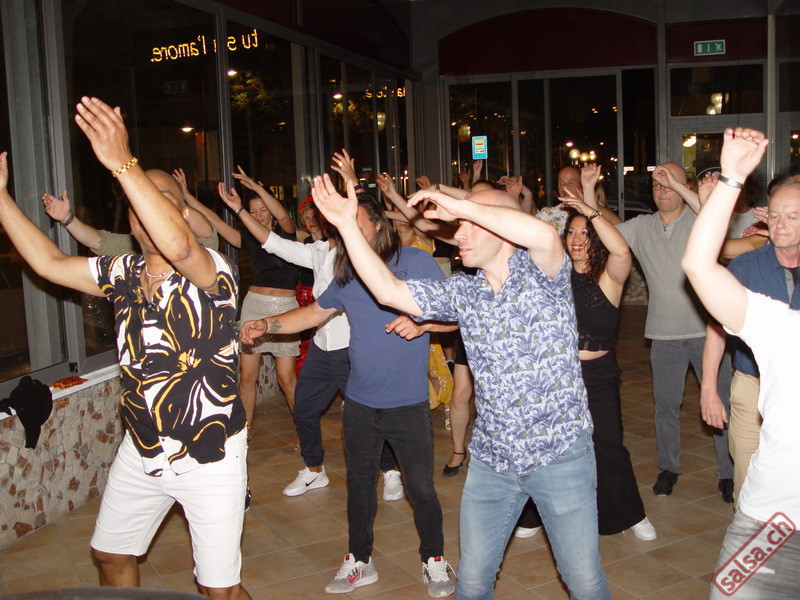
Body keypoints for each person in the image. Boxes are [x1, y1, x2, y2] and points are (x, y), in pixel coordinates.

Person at [310, 174, 609, 599]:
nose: (457, 234)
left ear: (501, 228)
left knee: (583, 582)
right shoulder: (465, 292)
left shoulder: (545, 272)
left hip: (559, 454)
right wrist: (345, 225)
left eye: (470, 225)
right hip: (492, 461)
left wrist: (460, 205)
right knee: (471, 582)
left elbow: (542, 233)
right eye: (458, 225)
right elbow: (389, 290)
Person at [0, 97, 250, 599]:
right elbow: (49, 263)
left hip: (212, 455)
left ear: (182, 213)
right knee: (111, 554)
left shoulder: (214, 271)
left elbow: (180, 247)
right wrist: (0, 199)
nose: (146, 209)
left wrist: (122, 162)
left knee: (218, 591)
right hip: (141, 449)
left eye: (160, 198)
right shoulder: (123, 272)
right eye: (139, 202)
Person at [241, 186, 455, 598]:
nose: (347, 233)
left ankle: (433, 558)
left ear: (379, 226)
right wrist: (268, 326)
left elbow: (456, 315)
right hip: (359, 402)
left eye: (354, 224)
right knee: (358, 485)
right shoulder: (347, 271)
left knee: (421, 489)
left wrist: (424, 325)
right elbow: (314, 313)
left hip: (408, 403)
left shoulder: (415, 262)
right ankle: (360, 558)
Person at [680, 127, 800, 600]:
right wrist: (730, 179)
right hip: (772, 524)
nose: (784, 223)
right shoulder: (783, 327)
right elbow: (700, 266)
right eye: (779, 213)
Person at [615, 161, 734, 500]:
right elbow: (608, 235)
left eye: (670, 184)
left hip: (708, 333)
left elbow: (713, 215)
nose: (662, 190)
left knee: (720, 403)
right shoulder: (642, 226)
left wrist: (679, 186)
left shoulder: (698, 219)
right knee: (665, 406)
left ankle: (728, 472)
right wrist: (588, 201)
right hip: (663, 333)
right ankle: (668, 467)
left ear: (686, 188)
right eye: (657, 185)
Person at [560, 167, 655, 539]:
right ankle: (537, 516)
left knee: (608, 445)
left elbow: (622, 249)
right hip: (560, 375)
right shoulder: (553, 275)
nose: (577, 239)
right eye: (572, 232)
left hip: (598, 375)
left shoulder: (609, 276)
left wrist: (589, 207)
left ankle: (630, 515)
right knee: (554, 448)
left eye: (585, 233)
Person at [698, 174, 800, 503]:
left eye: (792, 216)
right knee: (747, 479)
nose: (781, 224)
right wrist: (709, 389)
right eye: (775, 215)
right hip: (751, 388)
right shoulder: (745, 267)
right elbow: (716, 330)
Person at [184, 168, 299, 440]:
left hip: (286, 311)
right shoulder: (246, 238)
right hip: (254, 305)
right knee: (247, 377)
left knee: (286, 378)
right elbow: (215, 222)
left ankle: (304, 431)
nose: (258, 215)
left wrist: (257, 189)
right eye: (253, 211)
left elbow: (284, 216)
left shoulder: (286, 234)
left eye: (263, 210)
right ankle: (244, 434)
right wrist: (187, 196)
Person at [537, 166, 620, 235]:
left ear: (581, 186)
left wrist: (585, 204)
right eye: (561, 183)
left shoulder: (593, 210)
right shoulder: (547, 214)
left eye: (571, 182)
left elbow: (620, 226)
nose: (565, 187)